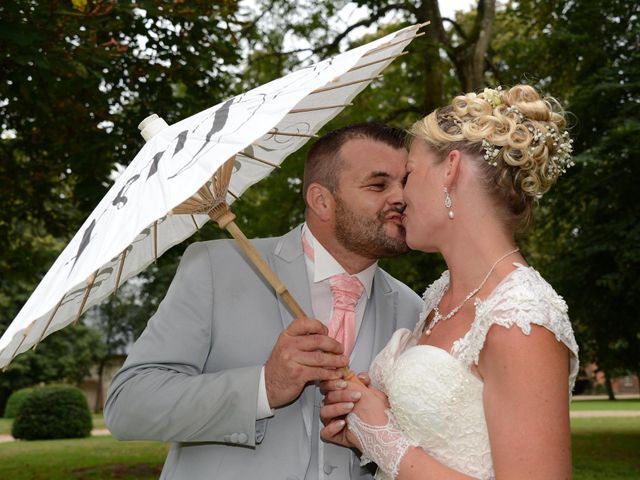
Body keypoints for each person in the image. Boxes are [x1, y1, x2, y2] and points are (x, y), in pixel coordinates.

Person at [104, 122, 423, 480]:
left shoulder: (414, 309)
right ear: (321, 201)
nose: (401, 197)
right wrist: (264, 387)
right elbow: (128, 405)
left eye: (405, 183)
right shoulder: (216, 268)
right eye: (378, 184)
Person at [320, 85, 579, 480]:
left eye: (408, 174)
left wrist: (381, 437)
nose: (400, 196)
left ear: (450, 169)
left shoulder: (522, 320)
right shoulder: (441, 294)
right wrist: (366, 424)